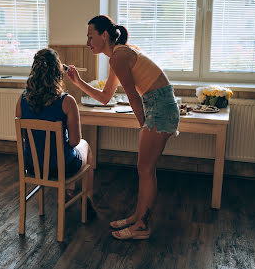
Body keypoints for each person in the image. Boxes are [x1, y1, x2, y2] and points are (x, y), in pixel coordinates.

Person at [67, 15, 180, 240]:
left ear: (104, 35)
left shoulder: (119, 56)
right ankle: (138, 217)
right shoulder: (118, 55)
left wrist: (144, 126)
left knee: (145, 170)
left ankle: (142, 226)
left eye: (91, 37)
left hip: (160, 109)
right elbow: (106, 97)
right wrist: (78, 82)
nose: (87, 42)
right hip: (159, 107)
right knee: (145, 169)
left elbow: (133, 98)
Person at [15, 48, 96, 215]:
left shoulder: (22, 98)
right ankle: (87, 197)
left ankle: (69, 190)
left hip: (31, 166)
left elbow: (24, 135)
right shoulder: (67, 101)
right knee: (85, 146)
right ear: (58, 73)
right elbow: (74, 141)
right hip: (62, 168)